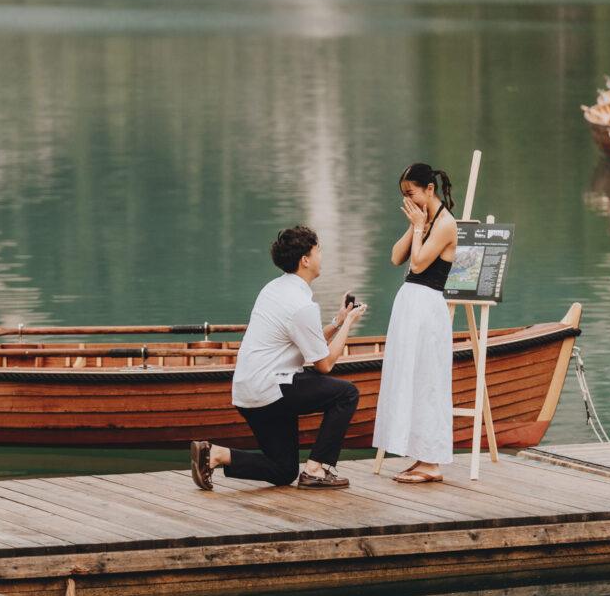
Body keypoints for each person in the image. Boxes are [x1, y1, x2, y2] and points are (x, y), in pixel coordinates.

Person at [191, 225, 366, 491]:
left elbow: (306, 341)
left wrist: (336, 323)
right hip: (272, 387)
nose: (322, 256)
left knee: (283, 470)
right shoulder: (301, 305)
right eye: (318, 251)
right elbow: (325, 364)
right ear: (305, 260)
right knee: (347, 393)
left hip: (249, 389)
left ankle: (215, 454)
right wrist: (350, 323)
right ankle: (316, 469)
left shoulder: (274, 289)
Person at [372, 163, 457, 483]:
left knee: (428, 382)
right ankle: (420, 456)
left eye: (412, 193)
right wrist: (415, 225)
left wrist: (420, 227)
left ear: (429, 190)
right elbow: (397, 257)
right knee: (408, 377)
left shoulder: (446, 223)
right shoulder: (425, 221)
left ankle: (432, 462)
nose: (407, 200)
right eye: (404, 196)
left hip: (427, 307)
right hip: (410, 305)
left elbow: (419, 264)